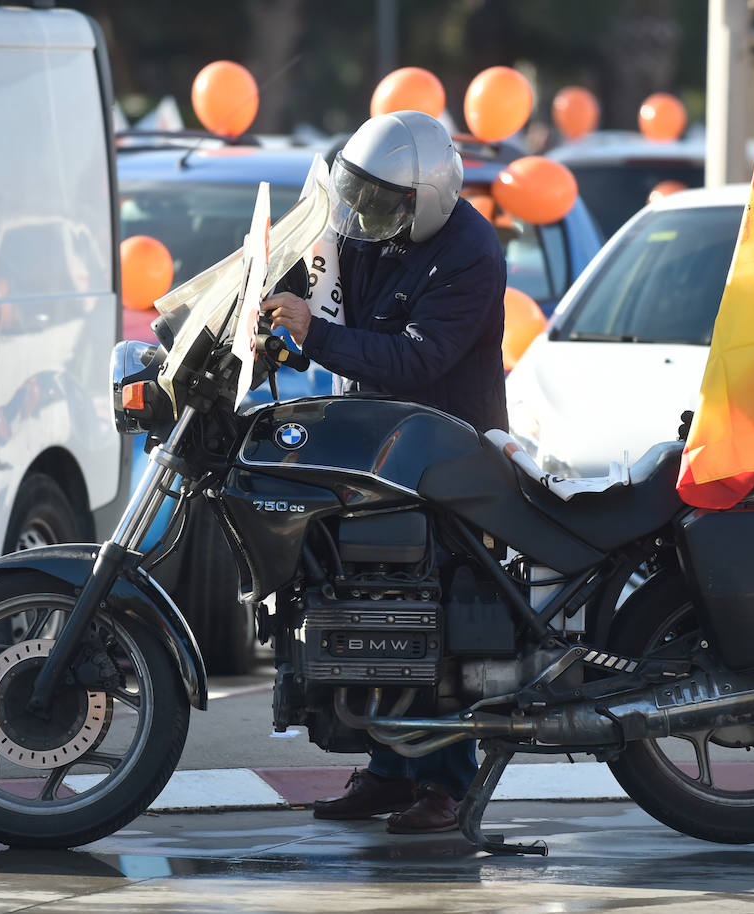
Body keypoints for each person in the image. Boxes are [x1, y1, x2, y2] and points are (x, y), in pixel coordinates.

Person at [261, 110, 507, 833]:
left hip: (448, 454)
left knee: (440, 619)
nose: (359, 211)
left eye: (377, 199)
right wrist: (271, 310)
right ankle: (389, 769)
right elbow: (328, 305)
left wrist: (318, 334)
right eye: (356, 192)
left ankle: (448, 783)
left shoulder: (470, 254)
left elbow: (415, 359)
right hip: (377, 448)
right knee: (370, 600)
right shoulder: (358, 229)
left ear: (422, 199)